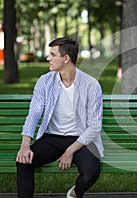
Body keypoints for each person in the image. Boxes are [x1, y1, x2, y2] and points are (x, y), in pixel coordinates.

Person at [16, 37, 104, 198]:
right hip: (52, 139)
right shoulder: (45, 81)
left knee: (91, 171)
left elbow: (94, 127)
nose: (48, 58)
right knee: (23, 161)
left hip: (80, 139)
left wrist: (70, 151)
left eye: (52, 54)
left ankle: (74, 193)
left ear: (66, 59)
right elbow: (34, 113)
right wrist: (25, 145)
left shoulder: (91, 85)